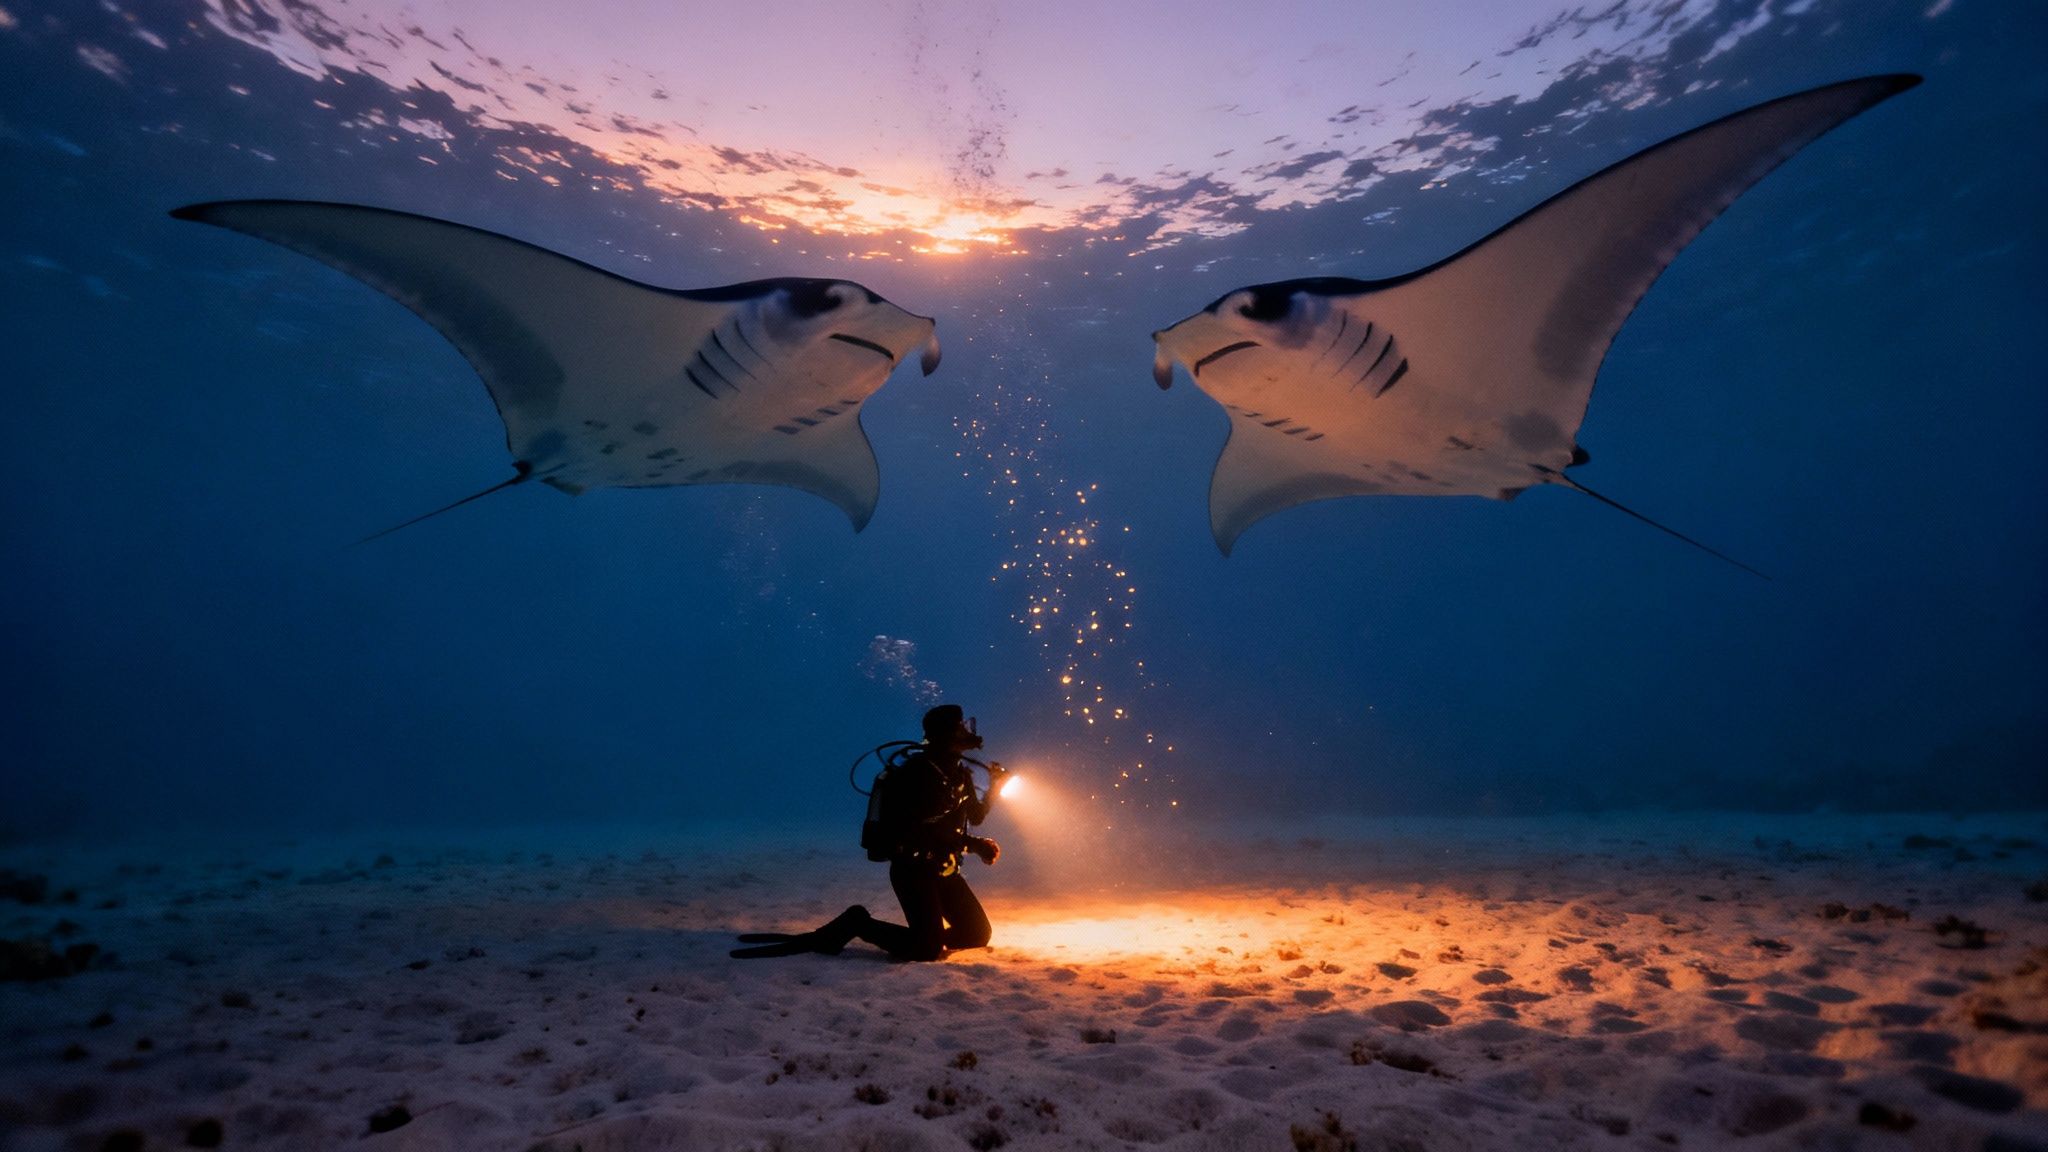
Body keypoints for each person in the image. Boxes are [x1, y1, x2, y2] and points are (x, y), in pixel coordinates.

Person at [732, 705, 1007, 961]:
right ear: (946, 734)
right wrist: (975, 845)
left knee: (976, 934)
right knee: (927, 950)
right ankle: (858, 922)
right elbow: (918, 830)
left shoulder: (959, 773)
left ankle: (924, 937)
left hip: (945, 871)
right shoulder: (918, 774)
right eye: (961, 726)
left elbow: (976, 816)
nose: (968, 731)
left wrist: (994, 788)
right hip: (914, 870)